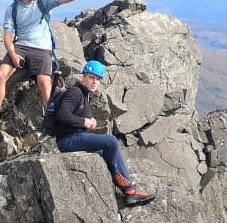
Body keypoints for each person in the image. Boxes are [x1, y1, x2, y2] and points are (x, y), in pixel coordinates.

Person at [0, 0, 97, 125]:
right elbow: (7, 35)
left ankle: (52, 120)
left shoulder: (42, 3)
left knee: (44, 82)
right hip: (20, 46)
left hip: (42, 48)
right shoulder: (12, 9)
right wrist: (12, 54)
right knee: (1, 75)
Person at [54, 61, 154, 205]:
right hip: (67, 140)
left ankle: (130, 193)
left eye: (98, 79)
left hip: (75, 136)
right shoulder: (75, 92)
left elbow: (75, 117)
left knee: (107, 152)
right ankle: (118, 177)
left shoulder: (85, 94)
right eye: (91, 78)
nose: (95, 82)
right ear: (84, 77)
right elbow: (63, 115)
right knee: (111, 141)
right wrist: (84, 122)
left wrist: (89, 122)